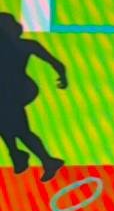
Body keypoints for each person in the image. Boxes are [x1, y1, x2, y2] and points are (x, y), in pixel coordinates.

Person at [0, 12, 67, 182]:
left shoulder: (23, 46)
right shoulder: (25, 45)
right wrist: (62, 74)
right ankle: (19, 155)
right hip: (12, 94)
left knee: (20, 130)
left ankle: (40, 159)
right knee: (11, 127)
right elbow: (57, 64)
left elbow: (57, 63)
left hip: (13, 95)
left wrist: (62, 75)